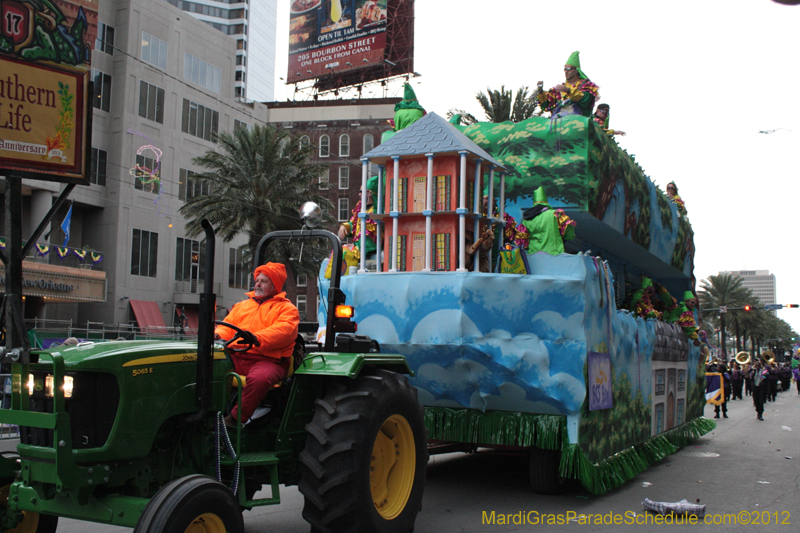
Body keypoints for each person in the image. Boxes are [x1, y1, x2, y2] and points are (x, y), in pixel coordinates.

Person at [215, 263, 300, 427]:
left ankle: (234, 419)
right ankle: (209, 413)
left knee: (259, 379)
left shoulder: (287, 309)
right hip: (237, 356)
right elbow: (227, 326)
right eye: (257, 280)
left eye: (264, 281)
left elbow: (284, 331)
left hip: (268, 360)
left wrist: (256, 338)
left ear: (275, 285)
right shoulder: (242, 306)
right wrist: (217, 334)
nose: (258, 285)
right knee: (209, 365)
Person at [536, 51, 600, 118]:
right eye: (565, 69)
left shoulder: (586, 85)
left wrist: (569, 91)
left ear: (576, 70)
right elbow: (547, 105)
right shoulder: (560, 88)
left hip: (578, 121)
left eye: (568, 69)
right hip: (559, 122)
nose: (566, 72)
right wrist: (540, 91)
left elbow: (585, 101)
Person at [521, 186, 576, 255]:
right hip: (554, 255)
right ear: (546, 203)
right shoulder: (555, 215)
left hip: (533, 257)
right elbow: (569, 236)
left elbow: (523, 242)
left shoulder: (527, 219)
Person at [339, 175, 379, 262]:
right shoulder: (360, 207)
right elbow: (353, 225)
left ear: (370, 193)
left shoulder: (377, 211)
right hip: (358, 251)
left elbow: (373, 238)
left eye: (361, 192)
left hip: (370, 254)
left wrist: (357, 250)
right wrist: (344, 227)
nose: (359, 194)